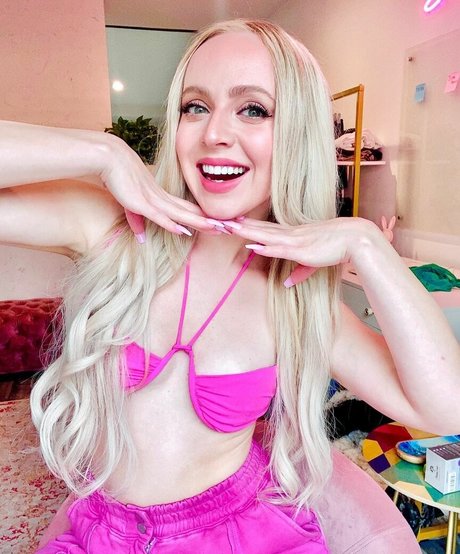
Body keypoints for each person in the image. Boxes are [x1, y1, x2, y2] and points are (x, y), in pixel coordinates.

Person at [1, 19, 459, 553]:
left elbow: (446, 408)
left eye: (253, 109)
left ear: (297, 133)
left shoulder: (296, 295)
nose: (214, 132)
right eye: (195, 106)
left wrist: (368, 244)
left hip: (236, 536)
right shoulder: (113, 229)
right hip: (105, 532)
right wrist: (103, 153)